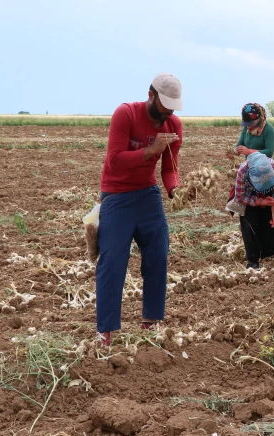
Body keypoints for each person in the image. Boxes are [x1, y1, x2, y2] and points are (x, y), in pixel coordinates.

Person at [95, 72, 191, 347]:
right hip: (116, 195)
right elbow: (114, 162)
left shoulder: (173, 125)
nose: (168, 113)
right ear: (150, 96)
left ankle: (149, 321)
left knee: (158, 255)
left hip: (148, 196)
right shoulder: (125, 114)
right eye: (164, 106)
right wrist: (150, 150)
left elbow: (170, 168)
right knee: (112, 262)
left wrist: (176, 191)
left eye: (173, 108)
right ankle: (106, 331)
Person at [233, 152, 274, 269]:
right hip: (249, 195)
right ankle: (253, 260)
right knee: (249, 223)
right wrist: (259, 201)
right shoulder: (243, 171)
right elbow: (240, 196)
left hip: (270, 196)